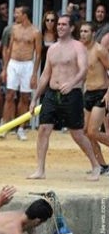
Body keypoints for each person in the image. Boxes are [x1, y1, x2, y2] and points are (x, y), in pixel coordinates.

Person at [28, 14, 102, 181]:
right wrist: (34, 98)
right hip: (52, 94)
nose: (60, 27)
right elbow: (46, 75)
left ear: (71, 28)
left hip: (71, 94)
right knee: (43, 130)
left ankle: (96, 165)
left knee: (77, 134)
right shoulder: (52, 49)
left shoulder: (78, 47)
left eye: (63, 24)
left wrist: (72, 82)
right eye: (59, 24)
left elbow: (83, 70)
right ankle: (40, 169)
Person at [1, 5, 42, 141]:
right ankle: (5, 126)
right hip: (13, 63)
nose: (15, 15)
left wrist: (34, 74)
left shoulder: (35, 32)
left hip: (27, 64)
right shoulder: (14, 29)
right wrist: (5, 68)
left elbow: (38, 54)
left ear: (25, 15)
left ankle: (21, 128)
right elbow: (9, 48)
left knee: (25, 97)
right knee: (9, 95)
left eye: (17, 13)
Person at [80, 22, 109, 173]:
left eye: (86, 31)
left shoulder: (99, 50)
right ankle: (102, 165)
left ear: (93, 33)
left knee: (93, 131)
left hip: (101, 93)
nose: (83, 34)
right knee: (85, 132)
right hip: (88, 93)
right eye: (81, 31)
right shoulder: (80, 50)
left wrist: (108, 93)